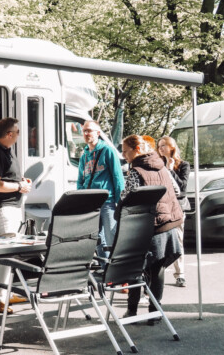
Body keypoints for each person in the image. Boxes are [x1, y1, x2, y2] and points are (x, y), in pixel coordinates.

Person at [120, 135, 184, 325]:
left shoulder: (136, 171)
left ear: (137, 149)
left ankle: (131, 311)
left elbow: (127, 199)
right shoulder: (162, 166)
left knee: (135, 267)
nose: (124, 155)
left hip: (146, 226)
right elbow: (177, 191)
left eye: (125, 151)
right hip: (169, 223)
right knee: (158, 268)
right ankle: (155, 312)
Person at [0, 117, 32, 313]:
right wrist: (20, 186)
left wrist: (21, 181)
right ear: (9, 134)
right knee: (6, 254)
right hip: (4, 207)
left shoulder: (6, 151)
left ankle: (6, 292)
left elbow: (6, 178)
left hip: (11, 205)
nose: (19, 135)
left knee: (11, 253)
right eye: (18, 132)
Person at [76, 120, 125, 262]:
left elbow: (118, 177)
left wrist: (119, 202)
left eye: (89, 130)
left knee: (111, 239)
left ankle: (117, 274)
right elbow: (80, 180)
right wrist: (81, 199)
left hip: (107, 203)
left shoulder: (107, 150)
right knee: (96, 240)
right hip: (90, 205)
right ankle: (106, 273)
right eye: (84, 130)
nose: (86, 133)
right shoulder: (84, 155)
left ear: (98, 133)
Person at [157, 135, 191, 287]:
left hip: (177, 207)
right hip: (162, 207)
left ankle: (180, 274)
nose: (160, 148)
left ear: (171, 147)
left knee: (178, 239)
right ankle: (158, 273)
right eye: (159, 146)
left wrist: (170, 170)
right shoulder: (157, 165)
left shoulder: (183, 165)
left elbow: (182, 187)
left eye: (163, 145)